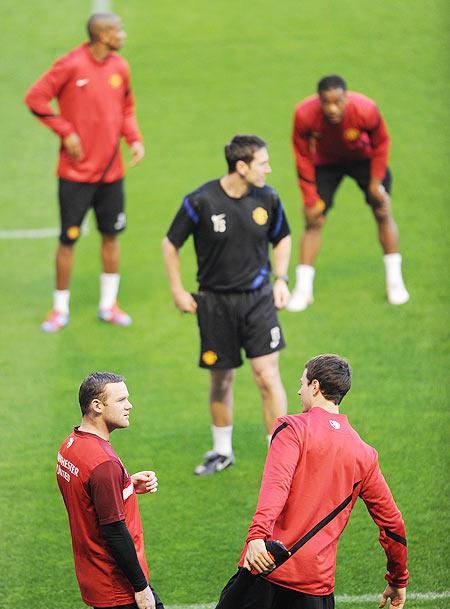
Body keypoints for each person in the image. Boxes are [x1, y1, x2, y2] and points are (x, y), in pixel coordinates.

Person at [198, 354, 408, 609]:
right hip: (315, 582)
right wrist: (397, 579)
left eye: (300, 384)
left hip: (262, 564)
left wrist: (257, 536)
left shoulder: (291, 427)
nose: (298, 392)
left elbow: (276, 487)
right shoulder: (365, 454)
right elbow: (392, 524)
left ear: (315, 386)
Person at [162, 135, 291, 476]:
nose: (269, 169)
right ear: (242, 166)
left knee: (267, 375)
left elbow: (282, 238)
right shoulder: (201, 201)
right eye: (263, 163)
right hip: (215, 303)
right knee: (222, 380)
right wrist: (177, 290)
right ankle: (222, 451)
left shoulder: (268, 197)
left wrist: (281, 278)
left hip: (258, 300)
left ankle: (279, 456)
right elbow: (170, 243)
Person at [25, 13, 145, 332]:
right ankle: (59, 309)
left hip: (111, 174)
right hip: (75, 175)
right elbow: (35, 98)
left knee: (111, 235)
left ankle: (109, 305)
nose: (123, 34)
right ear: (103, 35)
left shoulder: (121, 67)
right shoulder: (70, 65)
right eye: (118, 30)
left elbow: (127, 108)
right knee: (69, 239)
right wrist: (65, 130)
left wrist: (133, 139)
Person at [56, 372, 172, 609]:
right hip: (118, 582)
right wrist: (140, 588)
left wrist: (126, 487)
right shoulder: (103, 463)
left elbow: (87, 499)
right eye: (121, 400)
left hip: (103, 573)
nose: (129, 405)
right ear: (97, 406)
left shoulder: (72, 445)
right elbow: (113, 532)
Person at [287, 75, 409, 312]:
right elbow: (302, 156)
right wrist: (309, 198)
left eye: (338, 102)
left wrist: (375, 181)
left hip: (363, 161)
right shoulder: (304, 114)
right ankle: (303, 290)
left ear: (347, 97)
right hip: (325, 164)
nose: (333, 109)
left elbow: (381, 143)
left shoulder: (366, 109)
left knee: (382, 210)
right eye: (326, 103)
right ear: (319, 101)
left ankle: (395, 282)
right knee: (314, 220)